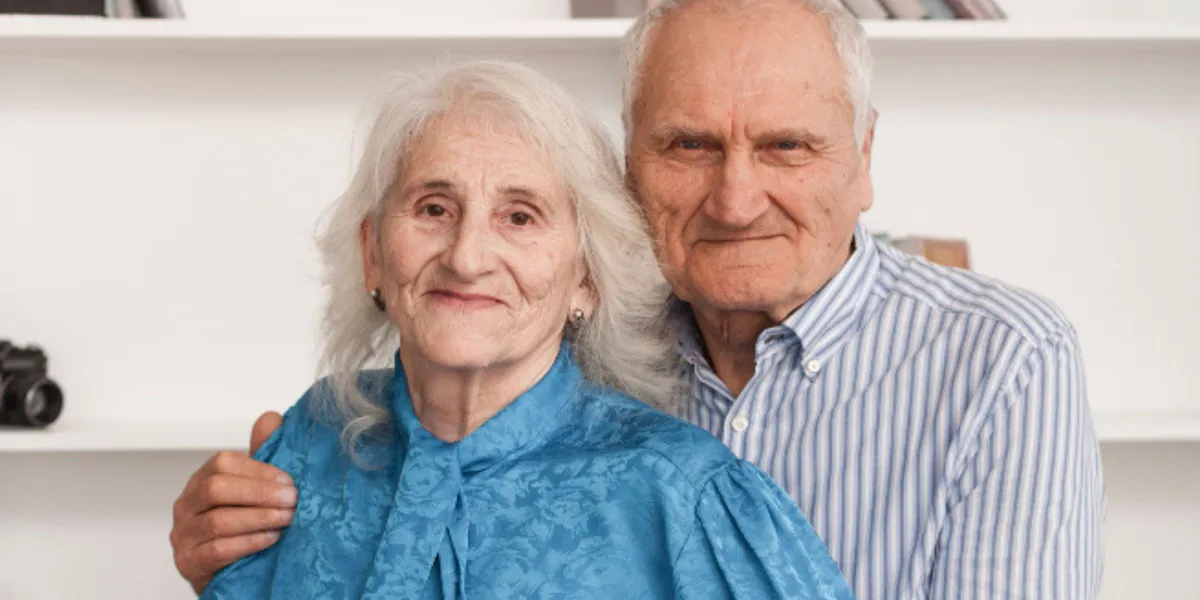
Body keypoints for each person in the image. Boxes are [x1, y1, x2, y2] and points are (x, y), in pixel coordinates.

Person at [172, 1, 1106, 598]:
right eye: (689, 145)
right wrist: (216, 544)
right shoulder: (441, 378)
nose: (735, 200)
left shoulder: (1003, 359)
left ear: (864, 160)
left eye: (786, 146)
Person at [187, 59, 853, 599]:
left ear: (586, 278)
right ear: (373, 253)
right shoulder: (310, 436)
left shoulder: (685, 493)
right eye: (434, 208)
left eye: (520, 217)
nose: (467, 257)